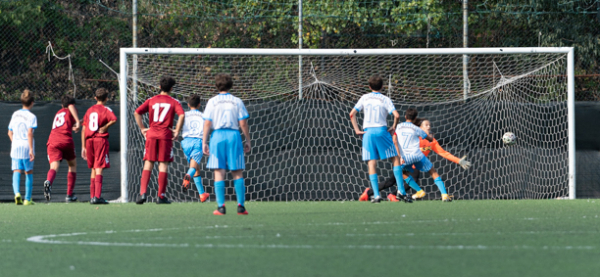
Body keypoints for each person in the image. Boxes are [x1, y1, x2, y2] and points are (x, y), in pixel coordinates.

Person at [361, 118, 471, 201]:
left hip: (415, 163)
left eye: (430, 125)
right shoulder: (413, 136)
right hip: (405, 161)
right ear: (419, 128)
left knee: (405, 178)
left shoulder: (432, 141)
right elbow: (396, 141)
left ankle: (393, 194)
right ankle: (372, 192)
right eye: (426, 125)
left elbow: (443, 153)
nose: (429, 127)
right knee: (392, 181)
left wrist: (458, 161)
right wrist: (399, 157)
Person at [350, 75, 409, 203]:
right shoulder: (385, 99)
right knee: (395, 158)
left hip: (368, 133)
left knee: (372, 162)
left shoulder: (364, 97)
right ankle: (401, 191)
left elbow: (352, 114)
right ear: (382, 87)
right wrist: (393, 126)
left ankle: (376, 195)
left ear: (369, 87)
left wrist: (357, 130)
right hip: (382, 131)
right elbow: (397, 115)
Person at [202, 73, 251, 215]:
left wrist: (204, 142)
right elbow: (243, 122)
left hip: (217, 136)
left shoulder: (212, 101)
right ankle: (241, 206)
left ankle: (221, 207)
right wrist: (247, 140)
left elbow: (207, 123)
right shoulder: (237, 101)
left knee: (219, 171)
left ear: (216, 86)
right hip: (234, 136)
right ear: (231, 85)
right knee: (237, 171)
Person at [134, 76, 185, 204]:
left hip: (151, 134)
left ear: (160, 87)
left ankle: (142, 194)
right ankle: (161, 196)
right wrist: (177, 130)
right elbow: (182, 114)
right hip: (165, 135)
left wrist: (142, 128)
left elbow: (137, 112)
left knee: (148, 163)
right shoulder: (173, 101)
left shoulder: (151, 100)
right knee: (163, 165)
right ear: (172, 88)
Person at [393, 109, 454, 202]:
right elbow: (430, 139)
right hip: (417, 155)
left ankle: (419, 191)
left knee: (402, 173)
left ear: (405, 116)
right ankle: (444, 195)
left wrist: (399, 156)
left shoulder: (398, 127)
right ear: (415, 118)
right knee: (432, 172)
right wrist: (431, 136)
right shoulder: (417, 129)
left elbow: (394, 141)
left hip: (405, 157)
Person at [82, 88, 117, 205]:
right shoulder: (106, 109)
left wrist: (83, 146)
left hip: (89, 141)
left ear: (95, 98)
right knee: (99, 167)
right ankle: (97, 197)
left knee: (93, 168)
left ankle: (92, 197)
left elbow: (84, 129)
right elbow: (114, 119)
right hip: (99, 140)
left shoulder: (89, 110)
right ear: (106, 98)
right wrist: (106, 126)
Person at [44, 95, 81, 202]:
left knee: (54, 167)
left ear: (61, 105)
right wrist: (78, 122)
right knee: (72, 165)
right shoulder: (71, 108)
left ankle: (49, 182)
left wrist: (78, 123)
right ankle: (69, 195)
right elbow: (70, 107)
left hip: (53, 140)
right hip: (65, 139)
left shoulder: (58, 113)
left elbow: (67, 123)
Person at [8, 90, 37, 205]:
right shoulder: (32, 116)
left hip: (15, 146)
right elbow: (30, 133)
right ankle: (27, 199)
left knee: (16, 170)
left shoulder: (15, 114)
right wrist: (30, 149)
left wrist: (15, 142)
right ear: (32, 102)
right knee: (28, 172)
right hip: (26, 146)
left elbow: (9, 132)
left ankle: (17, 193)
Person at [180, 94, 210, 202]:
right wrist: (205, 143)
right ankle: (188, 176)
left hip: (186, 142)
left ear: (188, 104)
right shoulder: (203, 116)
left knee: (196, 167)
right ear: (199, 104)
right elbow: (206, 129)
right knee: (193, 167)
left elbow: (180, 125)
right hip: (198, 142)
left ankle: (202, 194)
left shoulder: (184, 115)